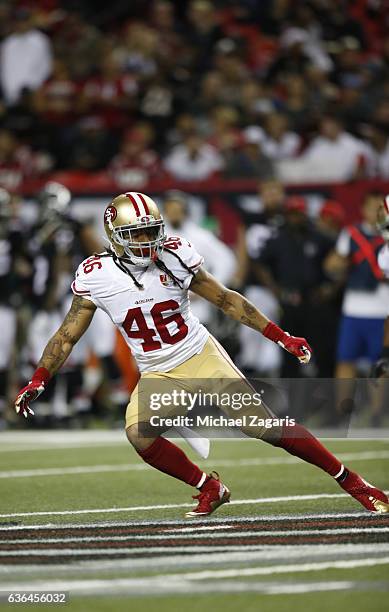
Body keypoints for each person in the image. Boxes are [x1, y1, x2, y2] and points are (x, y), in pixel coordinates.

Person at [15, 192, 388, 516]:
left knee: (263, 427)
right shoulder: (95, 275)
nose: (147, 241)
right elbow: (66, 336)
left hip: (198, 354)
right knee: (139, 434)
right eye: (136, 234)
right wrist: (39, 378)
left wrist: (279, 335)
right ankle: (210, 487)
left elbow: (226, 299)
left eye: (151, 230)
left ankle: (354, 482)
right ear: (115, 237)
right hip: (157, 371)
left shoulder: (175, 254)